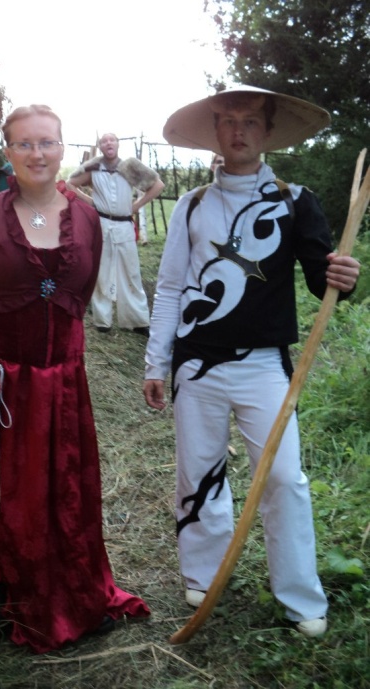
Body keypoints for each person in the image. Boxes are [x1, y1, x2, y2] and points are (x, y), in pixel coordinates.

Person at [143, 85, 360, 638]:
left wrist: (344, 277)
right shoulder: (193, 205)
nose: (238, 130)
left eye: (250, 121)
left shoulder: (296, 201)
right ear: (215, 130)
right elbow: (170, 288)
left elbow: (323, 280)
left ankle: (299, 594)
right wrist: (156, 362)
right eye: (228, 120)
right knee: (199, 471)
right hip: (196, 364)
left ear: (267, 131)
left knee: (285, 477)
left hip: (265, 366)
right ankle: (204, 574)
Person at [0, 104, 150, 653]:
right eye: (24, 144)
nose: (37, 154)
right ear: (7, 151)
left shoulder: (87, 218)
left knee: (59, 483)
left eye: (47, 142)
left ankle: (62, 579)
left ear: (62, 149)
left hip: (62, 382)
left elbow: (79, 294)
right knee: (0, 485)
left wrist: (55, 357)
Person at [67, 133, 164, 335]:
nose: (108, 143)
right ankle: (103, 321)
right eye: (104, 141)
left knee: (131, 272)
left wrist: (137, 205)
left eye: (112, 139)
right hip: (101, 224)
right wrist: (91, 202)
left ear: (118, 144)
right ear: (100, 147)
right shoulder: (94, 169)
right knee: (101, 271)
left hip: (124, 226)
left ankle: (137, 321)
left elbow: (158, 185)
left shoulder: (129, 168)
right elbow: (70, 184)